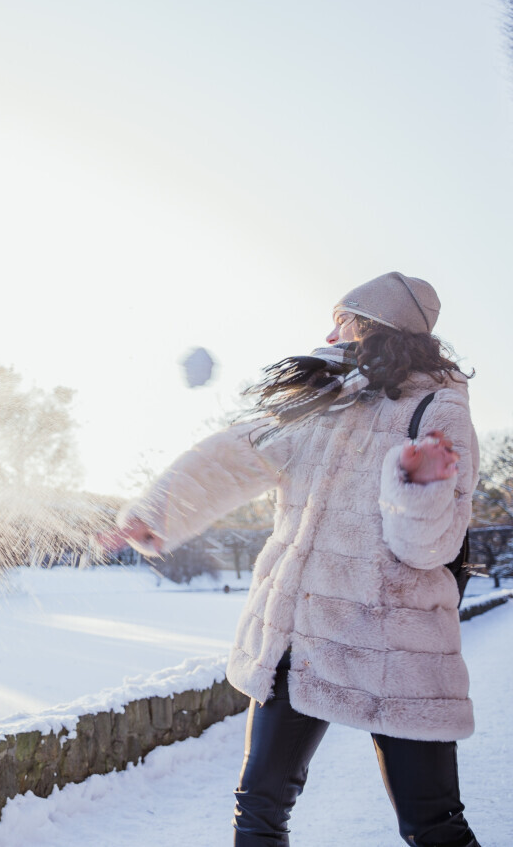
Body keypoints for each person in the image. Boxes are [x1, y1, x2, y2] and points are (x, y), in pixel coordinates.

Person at [109, 272, 481, 846]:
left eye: (342, 319)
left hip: (395, 644)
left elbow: (428, 549)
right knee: (259, 806)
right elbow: (234, 455)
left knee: (432, 824)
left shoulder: (439, 409)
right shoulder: (323, 399)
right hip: (301, 634)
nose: (329, 333)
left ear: (373, 324)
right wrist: (155, 513)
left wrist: (419, 484)